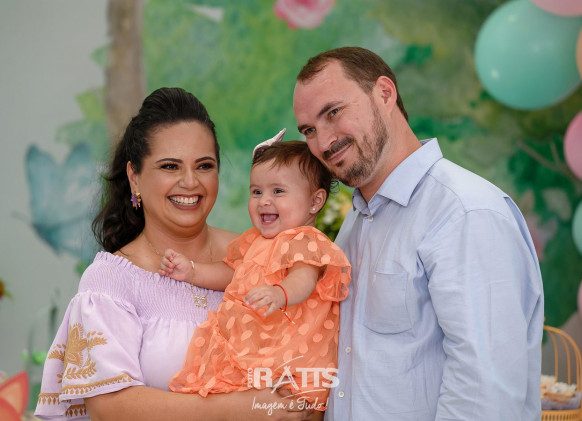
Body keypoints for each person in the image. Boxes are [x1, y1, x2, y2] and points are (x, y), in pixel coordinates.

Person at [292, 47, 544, 420]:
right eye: (309, 130)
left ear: (384, 94)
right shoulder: (357, 220)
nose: (323, 142)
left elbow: (483, 396)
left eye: (333, 112)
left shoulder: (464, 212)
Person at [35, 87, 316, 421]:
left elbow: (311, 353)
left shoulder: (263, 254)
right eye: (170, 166)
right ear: (134, 177)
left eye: (204, 166)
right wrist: (241, 408)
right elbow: (109, 406)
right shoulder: (112, 280)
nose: (190, 182)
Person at [160, 133, 351, 412]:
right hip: (253, 345)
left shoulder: (304, 240)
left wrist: (280, 293)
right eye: (256, 192)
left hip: (288, 352)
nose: (264, 201)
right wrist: (192, 271)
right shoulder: (254, 241)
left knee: (274, 404)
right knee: (239, 399)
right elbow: (231, 274)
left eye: (278, 191)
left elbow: (304, 278)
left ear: (315, 201)